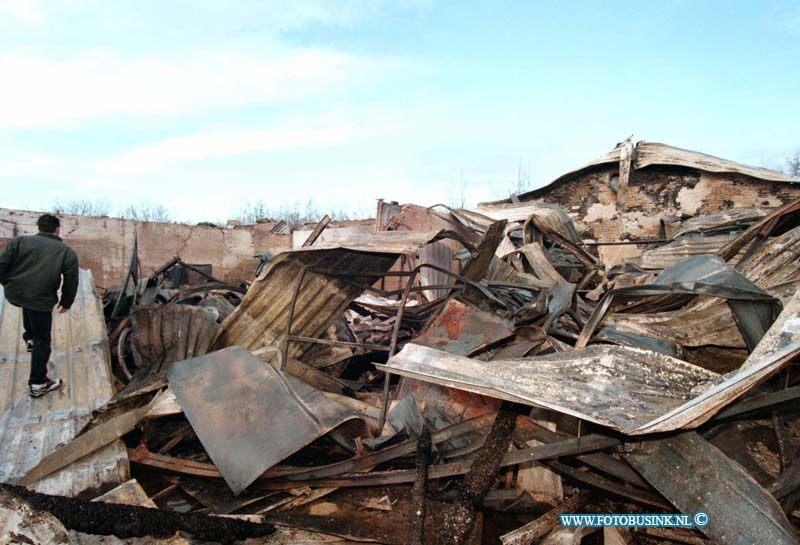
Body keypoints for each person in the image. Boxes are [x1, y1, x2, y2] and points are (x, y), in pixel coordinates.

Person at [0, 214, 79, 397]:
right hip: (41, 299)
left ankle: (29, 337)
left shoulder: (19, 242)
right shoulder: (66, 252)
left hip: (17, 294)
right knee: (43, 340)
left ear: (39, 227)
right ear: (57, 229)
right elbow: (71, 281)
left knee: (29, 304)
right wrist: (66, 302)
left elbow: (1, 265)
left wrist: (9, 284)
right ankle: (38, 383)